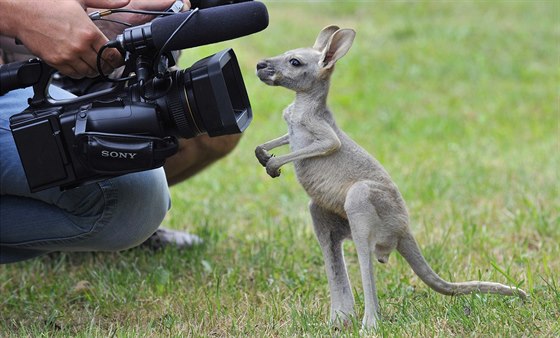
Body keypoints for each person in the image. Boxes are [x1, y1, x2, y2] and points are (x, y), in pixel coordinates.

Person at [0, 0, 242, 263]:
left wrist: (108, 24)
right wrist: (22, 13)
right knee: (129, 195)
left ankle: (60, 229)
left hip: (54, 73)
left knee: (201, 115)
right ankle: (55, 225)